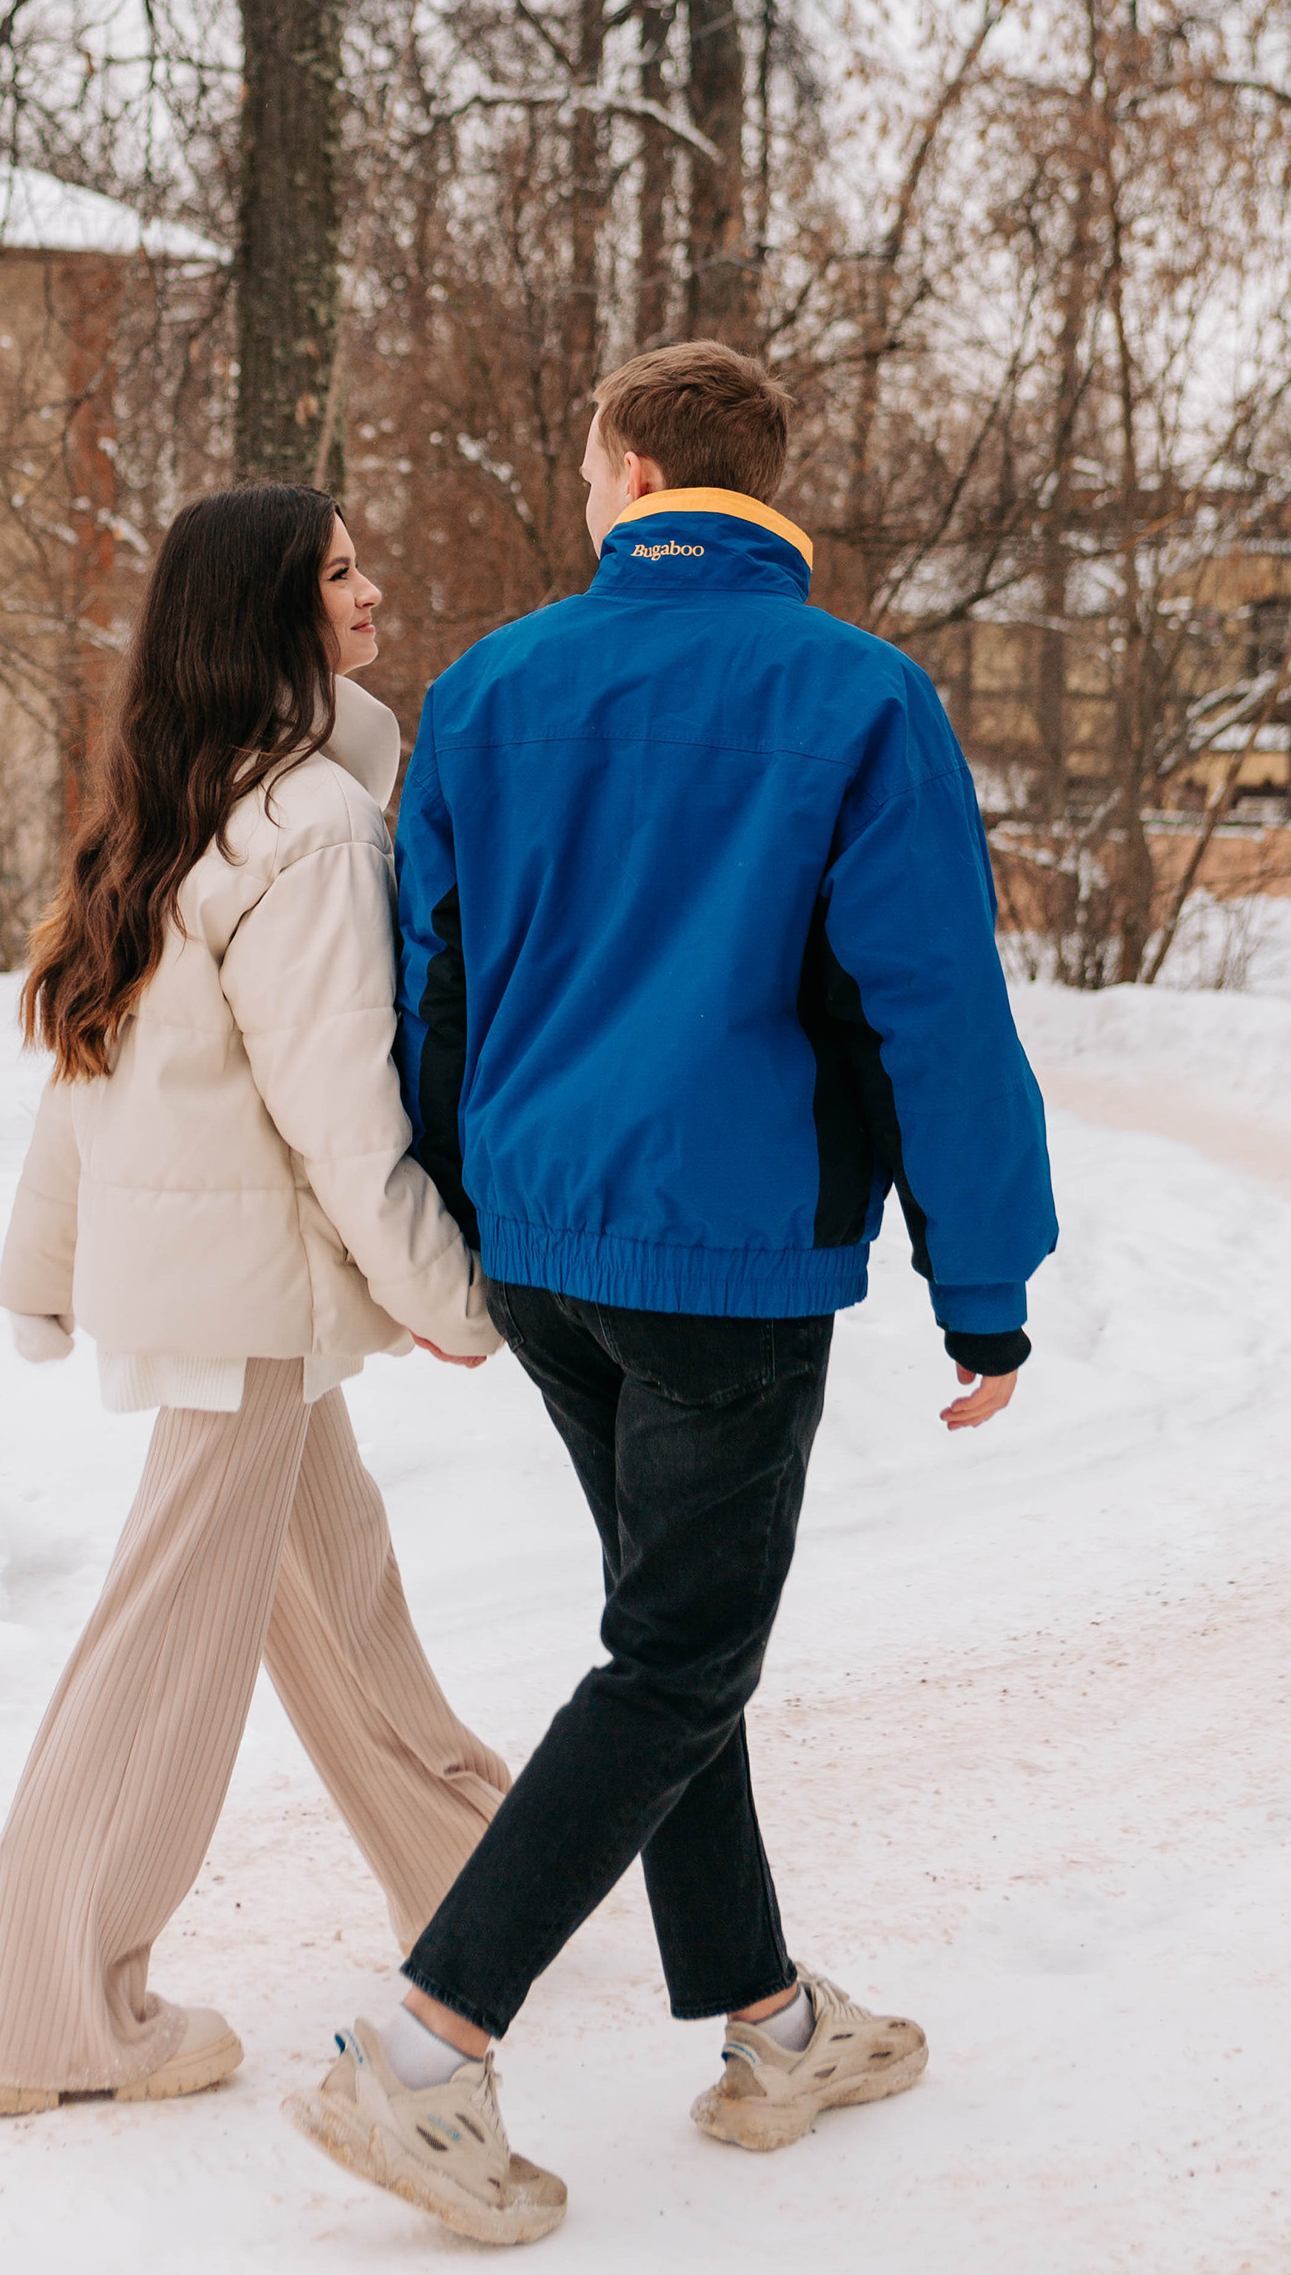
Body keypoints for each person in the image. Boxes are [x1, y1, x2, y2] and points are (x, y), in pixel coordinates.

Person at [285, 341, 1058, 2246]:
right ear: (759, 484)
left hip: (548, 1246)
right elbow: (933, 1008)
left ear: (626, 470)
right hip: (725, 1264)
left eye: (583, 457)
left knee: (671, 1632)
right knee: (681, 1655)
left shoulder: (488, 689)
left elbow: (430, 986)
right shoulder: (862, 699)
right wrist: (985, 1281)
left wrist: (456, 1221)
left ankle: (773, 2023)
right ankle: (421, 2048)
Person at [0, 481, 507, 2119]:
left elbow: (87, 1077)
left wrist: (44, 1269)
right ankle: (60, 2007)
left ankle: (476, 1874)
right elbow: (346, 1111)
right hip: (247, 1293)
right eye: (338, 573)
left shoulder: (187, 804)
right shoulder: (314, 828)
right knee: (170, 1647)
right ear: (271, 613)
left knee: (330, 1589)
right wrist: (452, 1295)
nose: (368, 592)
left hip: (220, 1288)